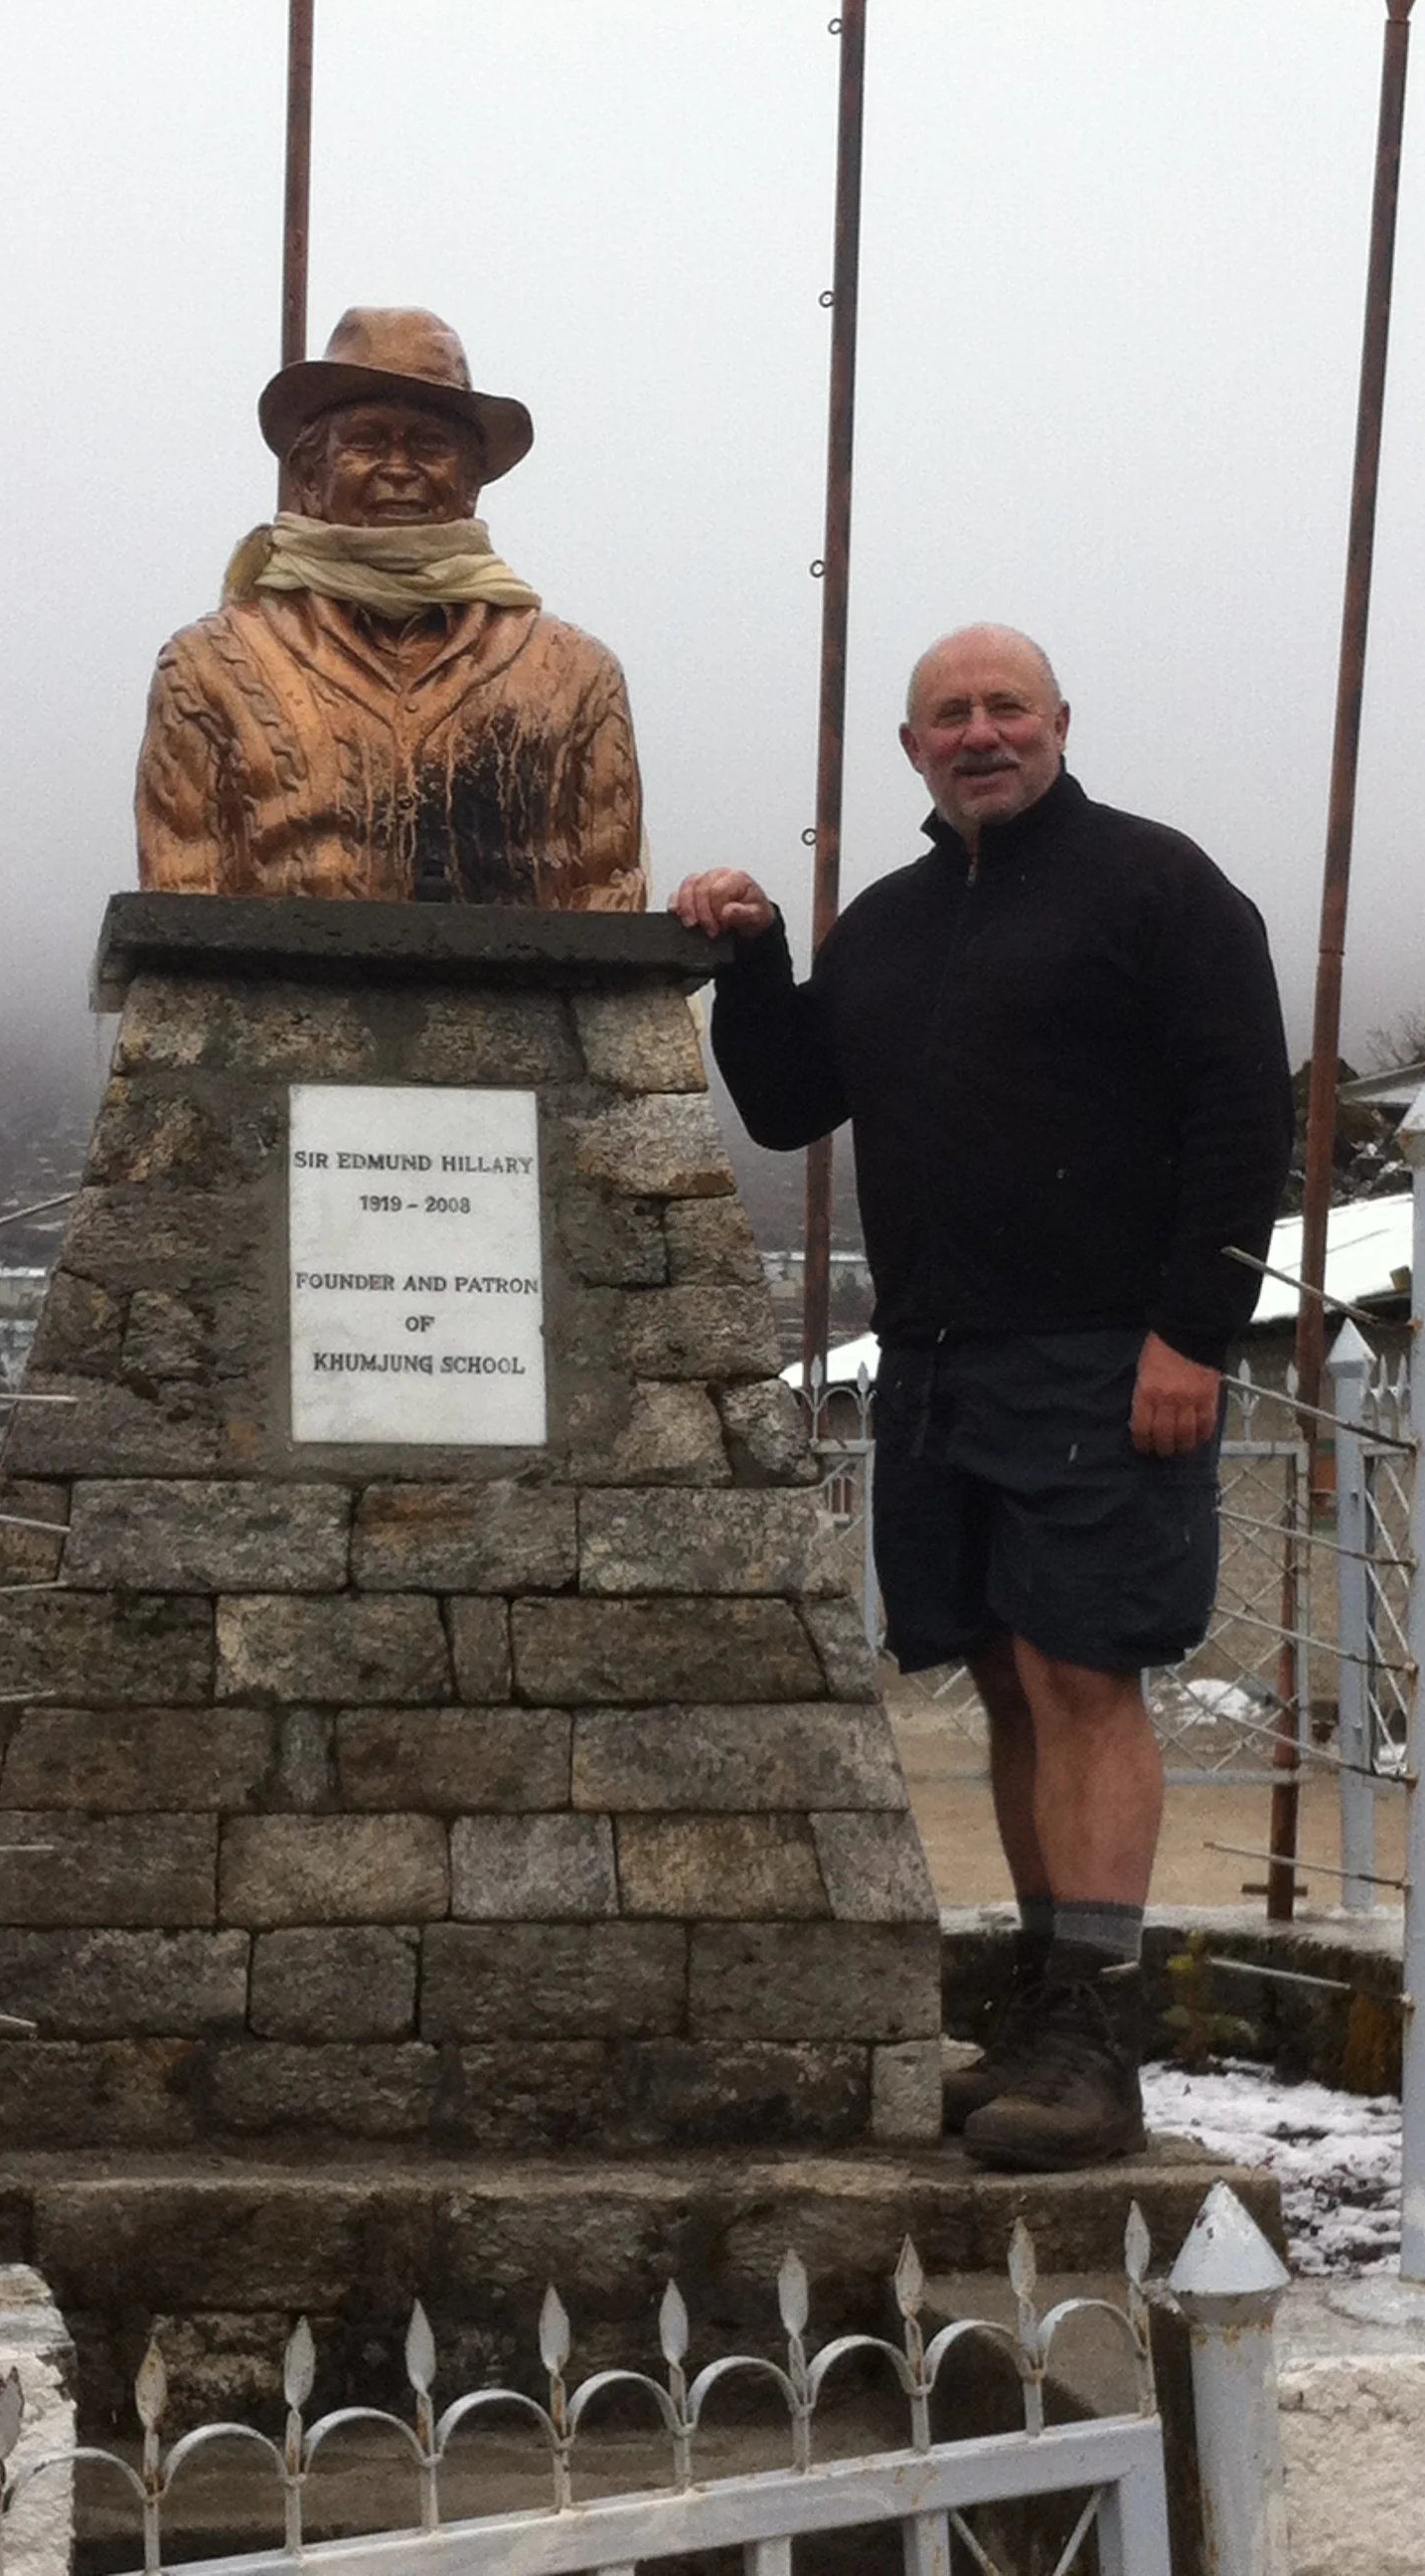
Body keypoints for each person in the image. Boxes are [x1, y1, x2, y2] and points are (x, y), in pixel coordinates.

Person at [671, 624, 1291, 2171]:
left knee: (1087, 1678)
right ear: (911, 750)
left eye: (1006, 705)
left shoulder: (1163, 888)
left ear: (1063, 722)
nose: (979, 731)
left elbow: (1242, 1117)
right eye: (948, 713)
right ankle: (1040, 2014)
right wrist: (752, 958)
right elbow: (788, 1095)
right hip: (938, 1362)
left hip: (1106, 1351)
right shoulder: (880, 926)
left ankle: (1098, 2040)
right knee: (1010, 1682)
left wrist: (1192, 1337)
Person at [135, 306, 645, 908]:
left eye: (430, 444)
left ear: (472, 478)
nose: (399, 469)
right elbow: (182, 907)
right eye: (366, 441)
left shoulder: (575, 674)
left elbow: (609, 895)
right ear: (307, 471)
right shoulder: (208, 667)